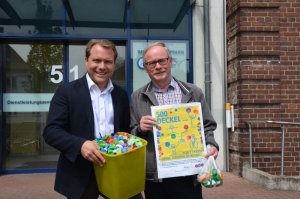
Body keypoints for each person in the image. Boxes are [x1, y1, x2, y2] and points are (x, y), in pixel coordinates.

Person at [43, 39, 143, 199]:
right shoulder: (66, 92)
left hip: (116, 168)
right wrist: (80, 145)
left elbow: (125, 132)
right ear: (86, 61)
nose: (102, 66)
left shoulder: (121, 95)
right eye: (96, 60)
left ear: (114, 64)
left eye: (108, 62)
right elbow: (51, 132)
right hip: (81, 171)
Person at [130, 42, 219, 199]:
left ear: (170, 61)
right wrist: (140, 129)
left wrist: (211, 145)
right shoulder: (137, 97)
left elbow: (207, 126)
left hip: (189, 175)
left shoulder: (193, 92)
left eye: (162, 61)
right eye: (152, 63)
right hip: (155, 178)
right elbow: (132, 136)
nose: (158, 66)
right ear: (145, 67)